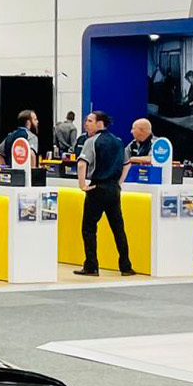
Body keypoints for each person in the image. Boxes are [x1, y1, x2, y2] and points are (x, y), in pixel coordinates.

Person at [76, 111, 136, 276]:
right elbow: (127, 163)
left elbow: (82, 164)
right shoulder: (118, 142)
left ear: (99, 123)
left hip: (97, 188)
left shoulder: (91, 141)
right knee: (118, 228)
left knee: (88, 228)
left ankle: (91, 266)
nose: (86, 124)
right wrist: (119, 183)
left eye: (89, 121)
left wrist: (82, 185)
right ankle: (126, 266)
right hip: (113, 190)